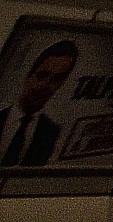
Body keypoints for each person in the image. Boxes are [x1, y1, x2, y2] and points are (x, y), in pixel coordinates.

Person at [1, 39, 78, 169]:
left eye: (57, 79)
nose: (46, 85)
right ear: (28, 75)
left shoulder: (51, 132)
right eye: (42, 75)